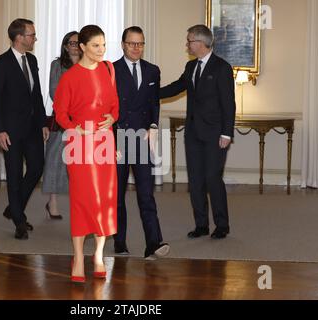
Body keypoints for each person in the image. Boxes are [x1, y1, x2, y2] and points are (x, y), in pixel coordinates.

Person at [53, 25, 119, 282]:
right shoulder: (69, 77)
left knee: (104, 200)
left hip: (104, 141)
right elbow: (60, 112)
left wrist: (113, 117)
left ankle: (99, 255)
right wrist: (73, 128)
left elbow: (115, 104)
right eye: (95, 46)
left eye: (103, 45)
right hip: (79, 143)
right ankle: (78, 256)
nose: (101, 50)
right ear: (82, 47)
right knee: (82, 199)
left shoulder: (108, 69)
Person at [160, 25, 235, 240]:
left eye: (189, 40)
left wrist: (227, 133)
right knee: (195, 180)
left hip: (215, 134)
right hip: (192, 133)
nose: (187, 44)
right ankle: (201, 224)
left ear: (201, 43)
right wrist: (150, 93)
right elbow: (177, 87)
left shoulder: (222, 67)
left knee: (212, 178)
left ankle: (222, 225)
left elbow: (228, 104)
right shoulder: (191, 66)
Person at [113, 26, 170, 260]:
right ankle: (119, 243)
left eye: (140, 43)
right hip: (117, 140)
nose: (136, 48)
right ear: (123, 44)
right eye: (132, 43)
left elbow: (154, 103)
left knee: (146, 193)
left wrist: (154, 127)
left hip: (141, 140)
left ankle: (153, 243)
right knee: (117, 195)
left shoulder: (152, 71)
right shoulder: (110, 70)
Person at [0, 19, 49, 240]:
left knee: (36, 168)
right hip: (11, 131)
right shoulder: (1, 63)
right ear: (19, 37)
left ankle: (13, 209)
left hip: (33, 128)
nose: (35, 38)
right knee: (14, 175)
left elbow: (37, 94)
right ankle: (19, 221)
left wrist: (43, 122)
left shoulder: (32, 60)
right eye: (32, 35)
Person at [42, 31, 80, 219]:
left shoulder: (88, 65)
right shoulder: (57, 65)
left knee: (78, 166)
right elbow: (54, 91)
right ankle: (52, 203)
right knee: (55, 162)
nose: (74, 45)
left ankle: (79, 204)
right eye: (71, 42)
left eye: (77, 42)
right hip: (62, 119)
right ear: (65, 46)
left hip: (82, 122)